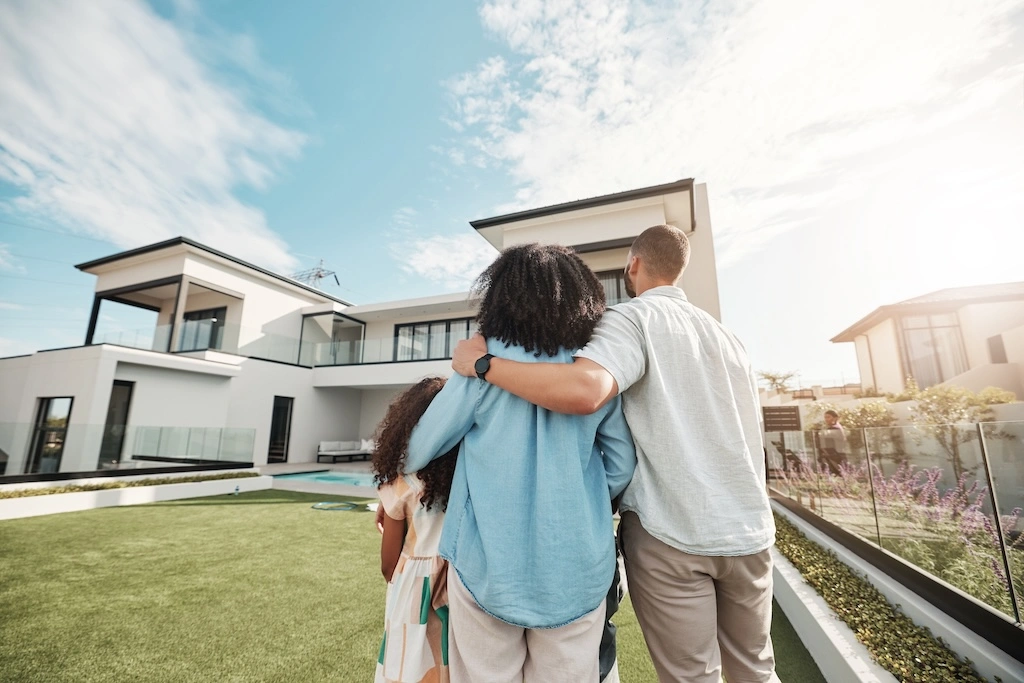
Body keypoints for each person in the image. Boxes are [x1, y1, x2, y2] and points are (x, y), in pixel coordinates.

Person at [451, 225, 779, 683]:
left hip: (674, 530)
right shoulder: (728, 338)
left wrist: (481, 364)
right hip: (750, 531)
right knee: (757, 670)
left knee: (694, 676)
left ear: (633, 265)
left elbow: (586, 391)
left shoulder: (630, 318)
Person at [402, 243, 637, 683]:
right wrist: (580, 495)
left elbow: (416, 450)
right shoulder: (590, 369)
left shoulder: (480, 368)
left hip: (486, 563)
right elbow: (621, 464)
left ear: (499, 296)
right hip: (577, 568)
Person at [372, 377, 459, 683]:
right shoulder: (471, 471)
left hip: (414, 585)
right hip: (462, 582)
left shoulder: (403, 482)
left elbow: (388, 565)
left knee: (406, 665)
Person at [819, 409, 849, 475]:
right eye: (825, 417)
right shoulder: (832, 428)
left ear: (835, 418)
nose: (826, 419)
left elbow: (823, 435)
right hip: (833, 455)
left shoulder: (835, 428)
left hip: (836, 456)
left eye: (828, 417)